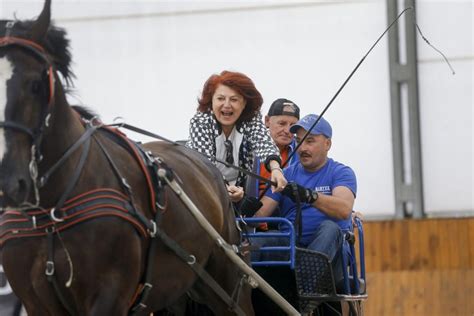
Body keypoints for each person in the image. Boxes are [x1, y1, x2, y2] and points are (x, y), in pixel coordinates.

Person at [253, 113, 357, 283]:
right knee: (255, 241)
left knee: (330, 228)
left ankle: (304, 288)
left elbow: (343, 209)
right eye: (300, 141)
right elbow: (259, 215)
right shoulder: (285, 175)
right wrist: (243, 203)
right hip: (292, 247)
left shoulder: (341, 172)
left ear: (327, 144)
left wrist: (309, 196)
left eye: (310, 141)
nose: (302, 148)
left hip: (331, 256)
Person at [186, 70, 287, 202]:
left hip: (238, 194)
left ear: (244, 103)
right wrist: (225, 188)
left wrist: (276, 169)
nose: (227, 105)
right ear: (211, 101)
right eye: (220, 98)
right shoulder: (200, 122)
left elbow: (264, 143)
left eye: (234, 99)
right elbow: (205, 165)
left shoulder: (251, 121)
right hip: (201, 192)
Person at [245, 98, 300, 198]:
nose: (287, 130)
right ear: (267, 121)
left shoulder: (302, 151)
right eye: (282, 123)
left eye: (292, 126)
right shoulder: (248, 145)